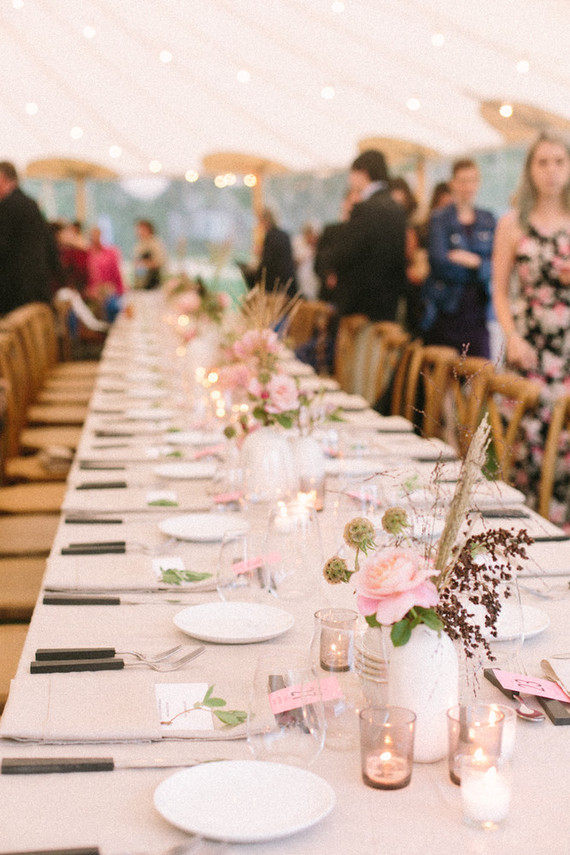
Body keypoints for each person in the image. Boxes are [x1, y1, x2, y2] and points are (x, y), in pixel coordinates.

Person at [492, 131, 570, 527]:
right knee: (529, 442)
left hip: (568, 349)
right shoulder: (512, 224)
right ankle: (530, 530)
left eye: (559, 161)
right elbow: (500, 290)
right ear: (530, 170)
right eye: (543, 162)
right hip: (531, 346)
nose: (552, 171)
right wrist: (512, 335)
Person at [317, 149, 407, 322]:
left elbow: (347, 251)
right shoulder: (396, 208)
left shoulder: (365, 208)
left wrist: (328, 262)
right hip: (389, 301)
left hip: (361, 303)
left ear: (363, 172)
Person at [421, 160, 495, 358]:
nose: (468, 186)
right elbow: (439, 264)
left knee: (480, 377)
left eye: (472, 180)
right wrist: (479, 269)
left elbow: (496, 267)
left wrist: (474, 262)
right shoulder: (439, 219)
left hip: (477, 314)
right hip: (446, 312)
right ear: (453, 183)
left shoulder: (488, 219)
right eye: (463, 181)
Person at [0, 161, 58, 314]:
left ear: (2, 178)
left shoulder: (6, 207)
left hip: (14, 294)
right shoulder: (32, 205)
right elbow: (50, 246)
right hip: (37, 290)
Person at [249, 208, 297, 295]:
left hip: (276, 283)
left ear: (266, 220)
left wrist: (257, 277)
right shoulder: (285, 235)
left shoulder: (271, 236)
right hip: (288, 281)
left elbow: (267, 261)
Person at [86, 226, 125, 321]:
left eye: (97, 235)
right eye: (92, 235)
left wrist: (121, 290)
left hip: (109, 288)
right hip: (92, 291)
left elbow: (116, 273)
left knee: (114, 307)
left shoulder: (111, 252)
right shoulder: (86, 253)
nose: (95, 237)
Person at [133, 219, 166, 289]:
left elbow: (160, 261)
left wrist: (145, 264)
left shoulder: (156, 243)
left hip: (155, 282)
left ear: (148, 229)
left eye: (141, 229)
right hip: (142, 282)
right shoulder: (139, 245)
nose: (139, 232)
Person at [292, 223, 320, 299]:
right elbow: (294, 262)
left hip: (314, 281)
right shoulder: (297, 243)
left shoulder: (319, 247)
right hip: (300, 280)